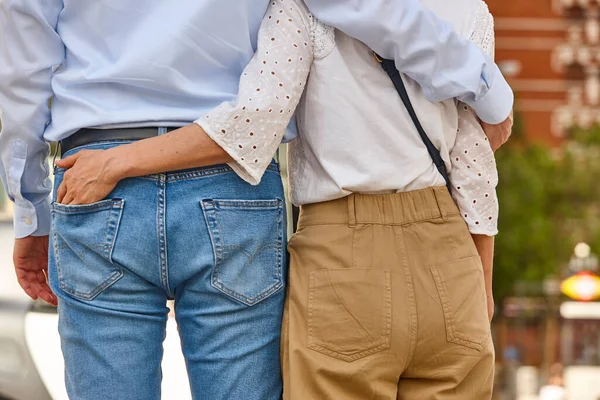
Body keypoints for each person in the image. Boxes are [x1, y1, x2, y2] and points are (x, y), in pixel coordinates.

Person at [0, 1, 512, 400]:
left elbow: (20, 69)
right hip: (231, 187)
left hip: (94, 180)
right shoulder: (467, 14)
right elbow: (366, 8)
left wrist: (31, 210)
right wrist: (486, 89)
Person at [187, 0, 511, 398]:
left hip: (343, 254)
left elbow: (253, 124)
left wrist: (119, 161)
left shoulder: (302, 8)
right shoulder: (469, 11)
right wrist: (482, 286)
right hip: (451, 252)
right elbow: (472, 163)